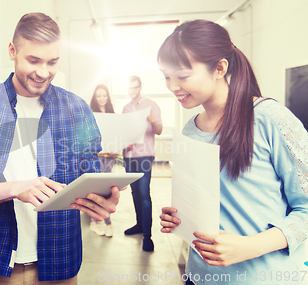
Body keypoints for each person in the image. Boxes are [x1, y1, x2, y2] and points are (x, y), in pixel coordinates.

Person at [0, 12, 121, 284]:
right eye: (33, 60)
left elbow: (91, 173)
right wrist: (16, 188)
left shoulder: (76, 109)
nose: (43, 72)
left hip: (60, 260)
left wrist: (104, 197)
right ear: (12, 51)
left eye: (52, 62)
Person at [158, 20, 308, 285]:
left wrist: (251, 246)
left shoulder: (270, 119)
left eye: (182, 76)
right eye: (166, 77)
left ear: (219, 68)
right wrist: (180, 218)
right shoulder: (190, 130)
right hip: (199, 277)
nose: (172, 86)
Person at [122, 75, 163, 252]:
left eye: (135, 87)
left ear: (140, 87)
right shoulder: (125, 108)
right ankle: (139, 225)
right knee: (134, 191)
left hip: (145, 155)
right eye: (129, 88)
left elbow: (159, 131)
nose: (132, 91)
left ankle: (148, 235)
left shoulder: (151, 105)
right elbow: (124, 132)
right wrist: (124, 143)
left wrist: (154, 122)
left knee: (144, 192)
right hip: (129, 156)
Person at [89, 84, 116, 237]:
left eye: (104, 95)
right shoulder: (91, 114)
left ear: (108, 97)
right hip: (97, 155)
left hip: (110, 155)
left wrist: (116, 147)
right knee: (99, 189)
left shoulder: (113, 114)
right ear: (95, 97)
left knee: (107, 188)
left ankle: (97, 221)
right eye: (98, 96)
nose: (101, 98)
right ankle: (104, 222)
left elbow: (117, 134)